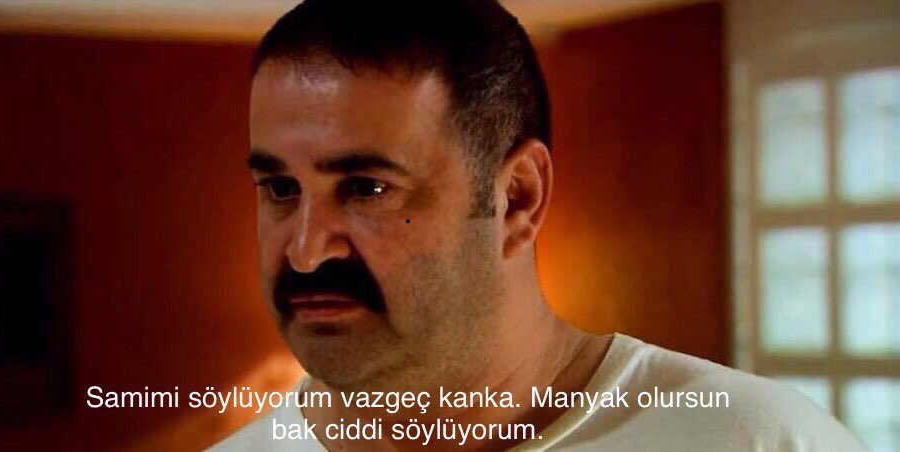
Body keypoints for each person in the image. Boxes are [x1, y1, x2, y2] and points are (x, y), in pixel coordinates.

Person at [212, 0, 864, 450]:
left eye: (367, 188)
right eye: (280, 189)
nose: (305, 251)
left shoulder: (761, 442)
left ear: (518, 198)